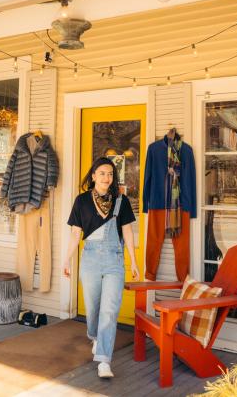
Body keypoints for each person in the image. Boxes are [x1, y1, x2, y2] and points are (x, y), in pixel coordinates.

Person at [62, 157, 140, 379]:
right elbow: (76, 233)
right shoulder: (82, 201)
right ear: (94, 176)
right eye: (103, 173)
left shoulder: (121, 202)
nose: (107, 177)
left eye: (110, 174)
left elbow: (127, 232)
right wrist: (67, 259)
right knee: (93, 307)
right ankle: (94, 336)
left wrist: (133, 260)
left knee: (110, 310)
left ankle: (104, 361)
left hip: (115, 261)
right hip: (90, 261)